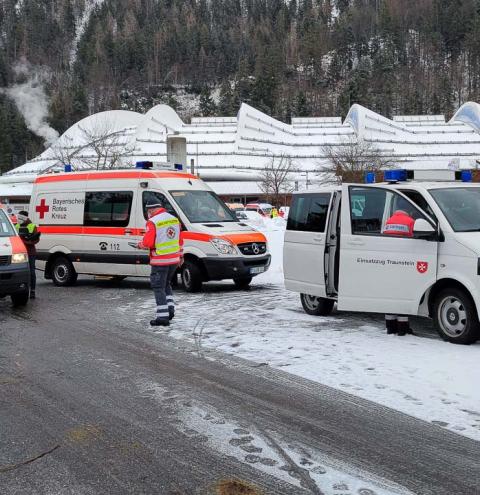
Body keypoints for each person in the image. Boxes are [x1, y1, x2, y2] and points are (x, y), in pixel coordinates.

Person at [138, 201, 183, 327]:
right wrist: (181, 255)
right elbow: (180, 240)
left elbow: (148, 243)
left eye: (148, 212)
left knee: (158, 287)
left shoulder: (153, 221)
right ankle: (170, 311)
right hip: (174, 260)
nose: (148, 214)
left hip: (160, 260)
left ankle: (162, 317)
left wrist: (140, 245)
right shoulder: (174, 219)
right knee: (166, 284)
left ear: (151, 210)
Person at [383, 209, 415, 336]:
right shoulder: (410, 221)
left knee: (390, 294)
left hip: (389, 260)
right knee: (403, 294)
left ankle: (390, 327)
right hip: (404, 260)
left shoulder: (389, 221)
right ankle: (403, 328)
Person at [15, 210, 41, 299]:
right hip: (19, 253)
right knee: (19, 272)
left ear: (24, 218)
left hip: (30, 252)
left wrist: (27, 242)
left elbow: (36, 240)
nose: (18, 219)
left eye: (20, 218)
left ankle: (32, 290)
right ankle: (19, 289)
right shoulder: (16, 226)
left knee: (32, 272)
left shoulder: (32, 226)